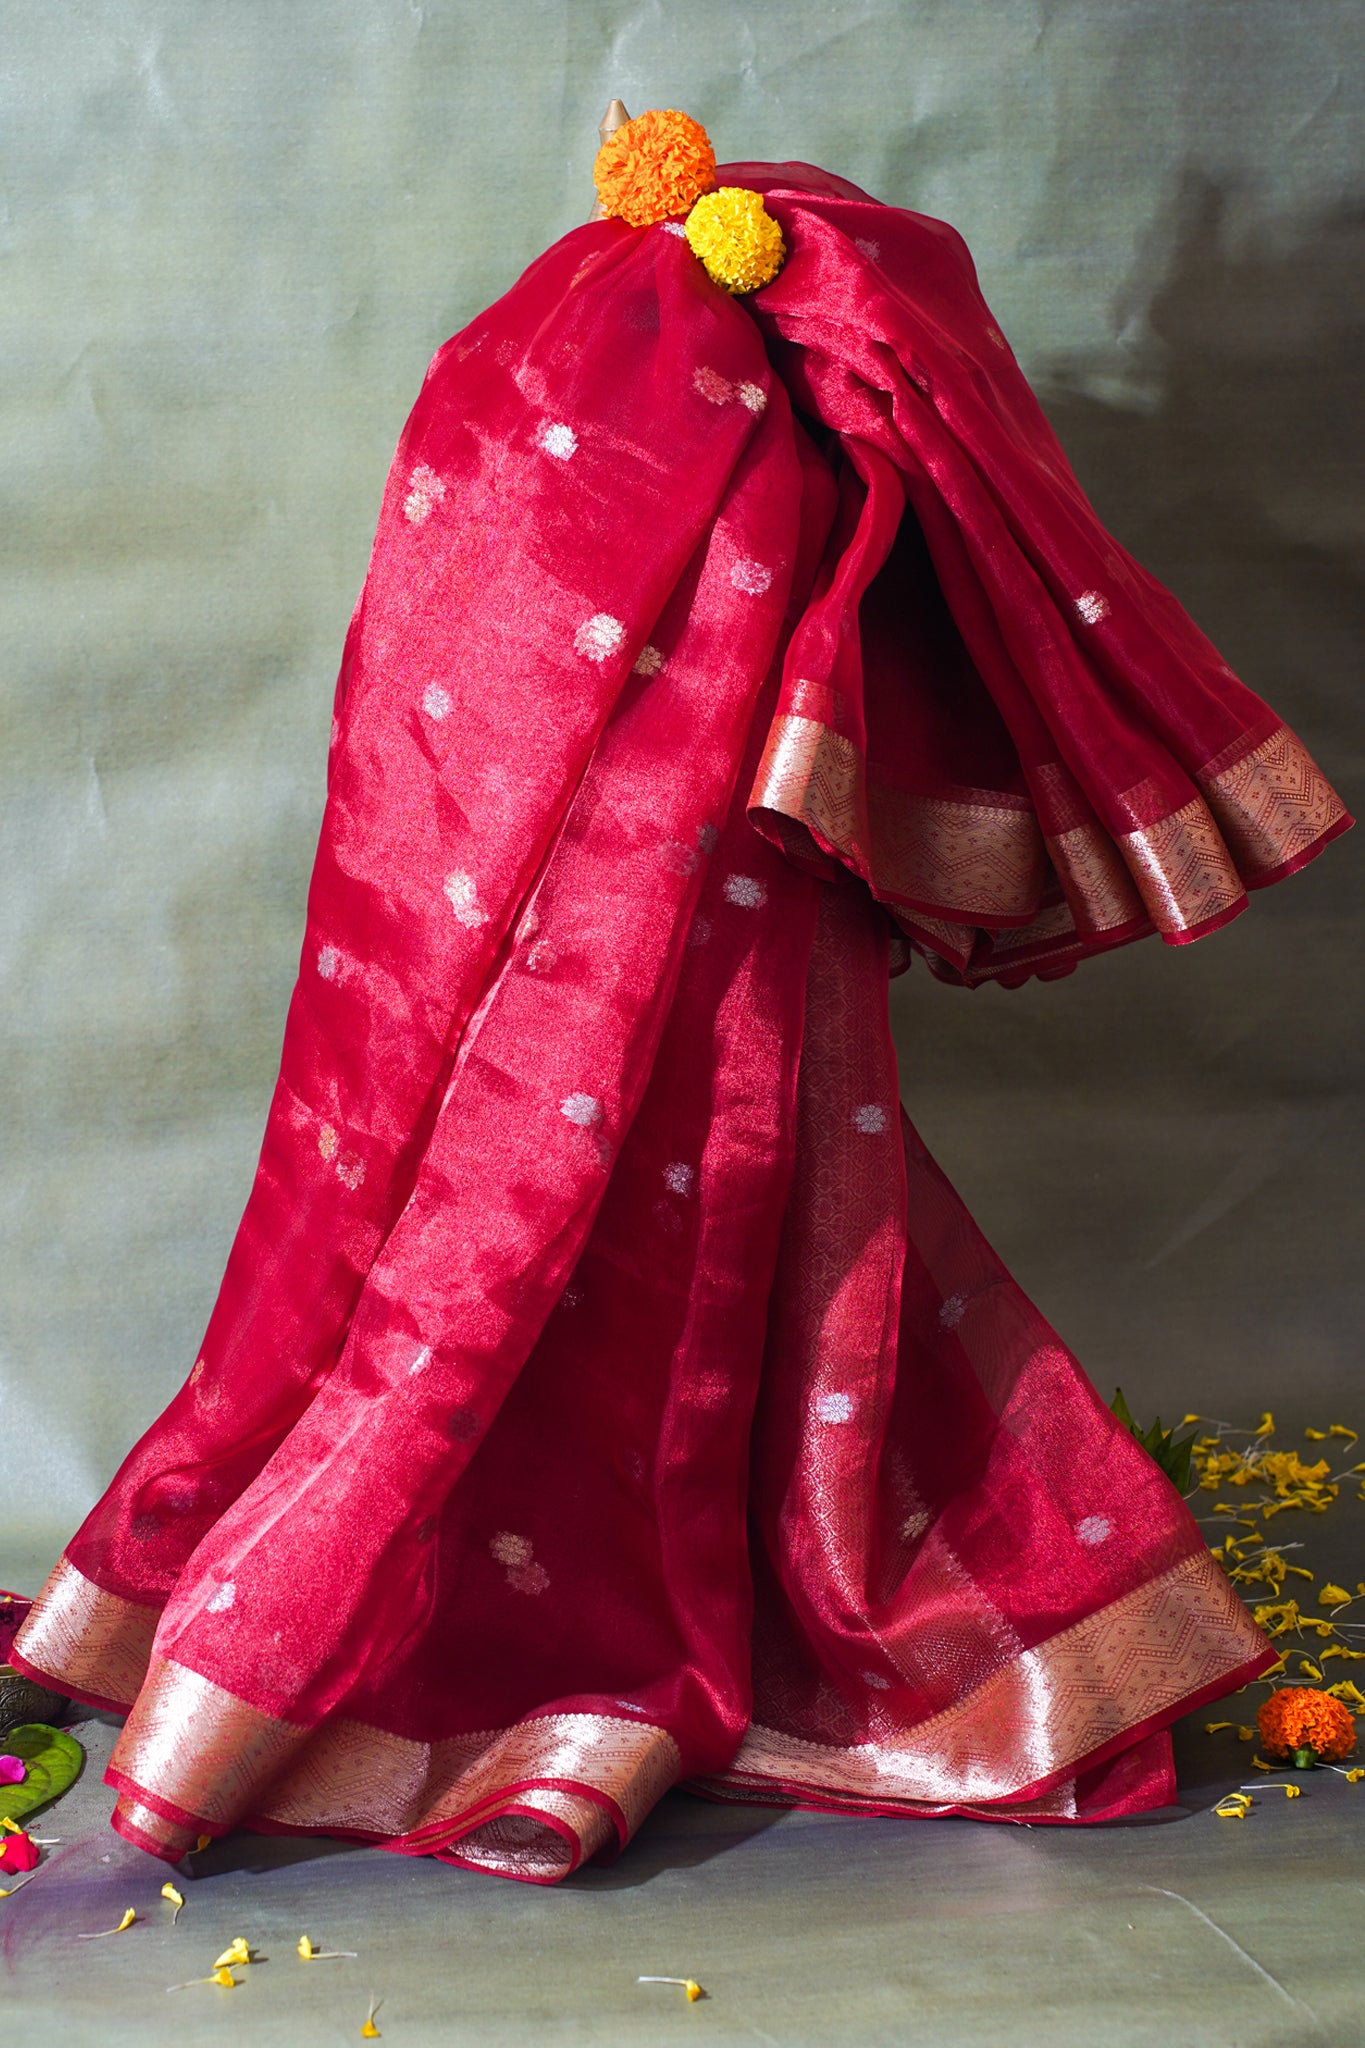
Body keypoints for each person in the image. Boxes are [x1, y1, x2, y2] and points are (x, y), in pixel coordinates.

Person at [14, 110, 1350, 1884]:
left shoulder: (548, 410)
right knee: (691, 1218)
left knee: (682, 1219)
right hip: (710, 924)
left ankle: (415, 1647)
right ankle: (577, 1635)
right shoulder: (723, 429)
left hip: (672, 937)